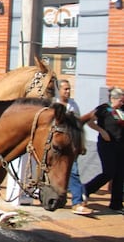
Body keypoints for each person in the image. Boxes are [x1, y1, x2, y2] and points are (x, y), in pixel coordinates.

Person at [82, 86, 124, 213]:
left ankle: (116, 204)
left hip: (121, 145)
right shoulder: (103, 109)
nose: (122, 103)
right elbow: (90, 122)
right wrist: (102, 131)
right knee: (109, 172)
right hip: (107, 145)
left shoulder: (122, 110)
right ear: (113, 98)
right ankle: (87, 189)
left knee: (120, 174)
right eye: (120, 101)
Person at [55, 79, 93, 214]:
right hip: (56, 145)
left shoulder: (73, 104)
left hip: (70, 144)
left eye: (69, 89)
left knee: (73, 171)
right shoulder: (54, 104)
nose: (68, 91)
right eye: (65, 89)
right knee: (60, 173)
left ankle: (77, 202)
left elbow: (78, 125)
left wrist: (80, 144)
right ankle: (60, 198)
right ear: (58, 90)